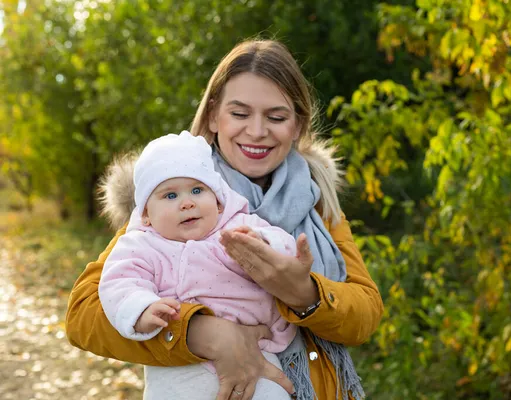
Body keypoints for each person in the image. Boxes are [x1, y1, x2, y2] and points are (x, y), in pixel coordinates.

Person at [66, 39, 384, 400]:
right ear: (214, 116)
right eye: (240, 113)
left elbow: (365, 313)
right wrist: (202, 333)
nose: (257, 131)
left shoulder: (317, 200)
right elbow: (83, 315)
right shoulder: (174, 197)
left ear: (297, 125)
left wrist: (304, 294)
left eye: (277, 117)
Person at [99, 131, 298, 399]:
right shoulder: (142, 245)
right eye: (170, 196)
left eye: (197, 190)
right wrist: (142, 307)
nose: (187, 202)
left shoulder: (239, 228)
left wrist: (262, 245)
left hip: (254, 350)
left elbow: (285, 247)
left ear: (217, 201)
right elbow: (119, 281)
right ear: (146, 214)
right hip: (180, 362)